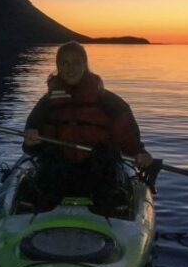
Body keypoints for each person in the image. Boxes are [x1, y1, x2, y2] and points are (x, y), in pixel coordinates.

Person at [23, 41, 153, 210]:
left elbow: (126, 133)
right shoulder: (47, 103)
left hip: (96, 170)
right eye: (64, 63)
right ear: (57, 66)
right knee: (50, 157)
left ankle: (110, 204)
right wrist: (30, 142)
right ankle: (42, 204)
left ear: (85, 64)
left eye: (76, 62)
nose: (70, 68)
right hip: (61, 169)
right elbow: (30, 145)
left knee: (106, 154)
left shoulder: (108, 101)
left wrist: (139, 152)